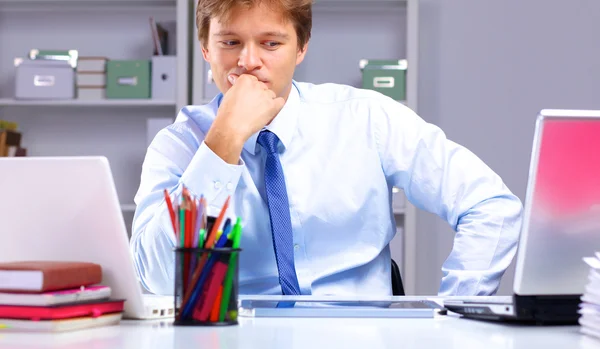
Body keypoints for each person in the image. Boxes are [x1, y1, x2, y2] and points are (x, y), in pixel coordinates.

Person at [130, 0, 523, 297]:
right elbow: (159, 277)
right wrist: (224, 143)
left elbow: (491, 206)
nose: (248, 62)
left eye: (271, 43)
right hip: (238, 336)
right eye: (230, 42)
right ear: (205, 48)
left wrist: (452, 316)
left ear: (301, 48)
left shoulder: (367, 118)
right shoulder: (178, 145)